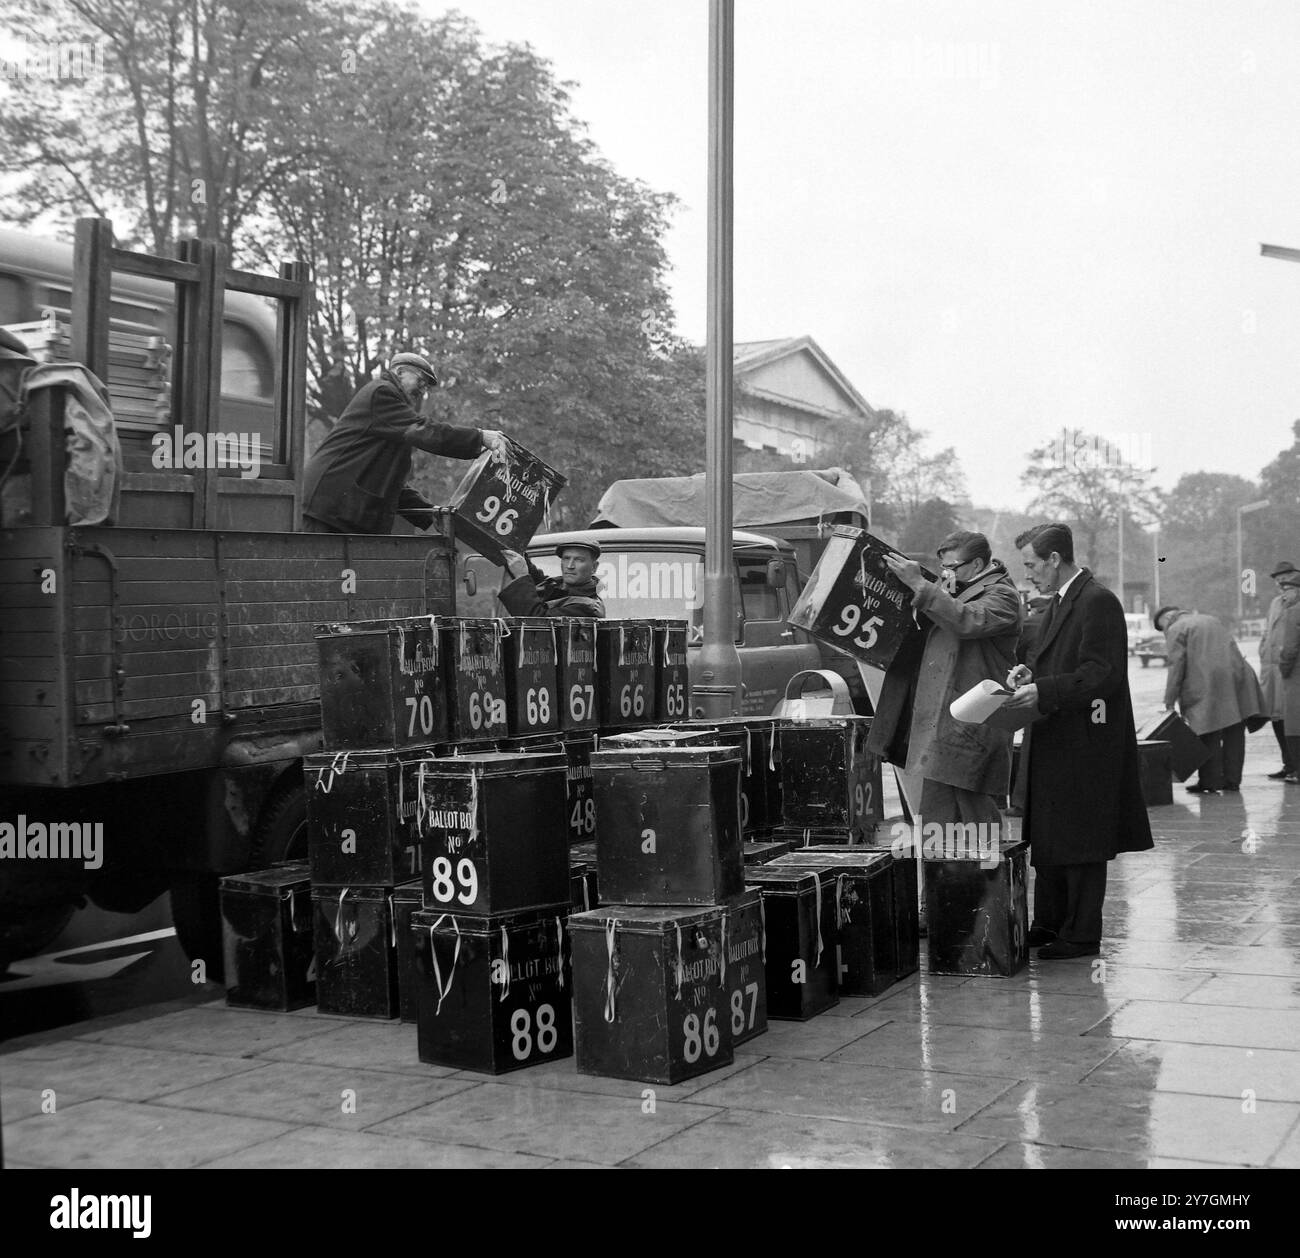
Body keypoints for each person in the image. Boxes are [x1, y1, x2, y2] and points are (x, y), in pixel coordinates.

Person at [1003, 522, 1153, 959]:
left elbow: (1102, 673)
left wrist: (1045, 690)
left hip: (1085, 744)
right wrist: (1033, 677)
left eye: (1031, 564)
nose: (1027, 573)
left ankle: (1081, 933)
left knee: (1082, 841)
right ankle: (1049, 922)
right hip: (1058, 737)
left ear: (1054, 559)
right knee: (1051, 835)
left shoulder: (1098, 601)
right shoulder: (1062, 600)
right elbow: (1065, 663)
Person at [868, 531, 1024, 828]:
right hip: (948, 723)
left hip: (971, 722)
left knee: (973, 818)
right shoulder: (961, 587)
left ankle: (985, 874)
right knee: (940, 821)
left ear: (977, 564)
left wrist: (921, 585)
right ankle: (945, 872)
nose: (946, 575)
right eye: (944, 569)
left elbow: (967, 620)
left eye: (952, 567)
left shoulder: (1003, 595)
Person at [301, 352, 503, 534]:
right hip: (329, 506)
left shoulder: (393, 416)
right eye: (421, 381)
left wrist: (431, 513)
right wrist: (479, 437)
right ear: (399, 372)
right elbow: (425, 431)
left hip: (337, 508)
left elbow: (390, 480)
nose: (423, 390)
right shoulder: (382, 392)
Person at [1153, 605, 1265, 795]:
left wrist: (1169, 700)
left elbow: (1176, 666)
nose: (1164, 631)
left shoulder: (1176, 628)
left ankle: (1210, 781)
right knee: (1234, 730)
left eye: (1162, 626)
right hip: (1237, 678)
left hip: (1205, 683)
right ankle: (1232, 780)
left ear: (1169, 617)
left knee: (1207, 730)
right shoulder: (1211, 619)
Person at [1259, 562, 1299, 780]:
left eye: (1285, 578)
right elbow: (1268, 630)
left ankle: (1295, 764)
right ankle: (1288, 763)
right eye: (1277, 579)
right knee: (1275, 717)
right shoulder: (1275, 602)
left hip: (1289, 668)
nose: (1280, 583)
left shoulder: (1296, 601)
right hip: (1272, 669)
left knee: (1291, 718)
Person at [497, 540, 606, 618]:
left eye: (579, 560)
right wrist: (513, 548)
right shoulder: (558, 586)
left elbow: (536, 621)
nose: (570, 565)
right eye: (566, 558)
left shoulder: (588, 607)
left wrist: (521, 575)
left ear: (594, 567)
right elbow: (536, 579)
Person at [1274, 575, 1300, 781]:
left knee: (1293, 724)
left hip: (1296, 677)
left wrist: (1283, 669)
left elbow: (1289, 649)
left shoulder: (1294, 613)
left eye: (1288, 590)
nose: (1284, 595)